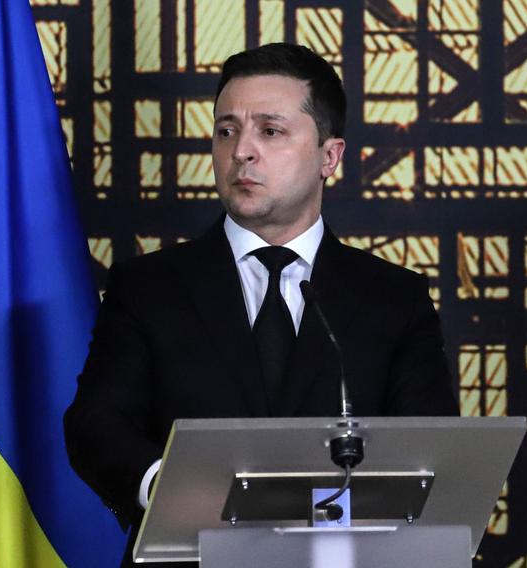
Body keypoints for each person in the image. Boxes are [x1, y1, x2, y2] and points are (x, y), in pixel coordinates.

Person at [64, 42, 458, 567]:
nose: (242, 151)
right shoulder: (148, 287)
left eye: (270, 131)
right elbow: (96, 422)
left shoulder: (394, 298)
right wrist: (169, 488)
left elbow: (425, 454)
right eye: (227, 131)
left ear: (330, 156)